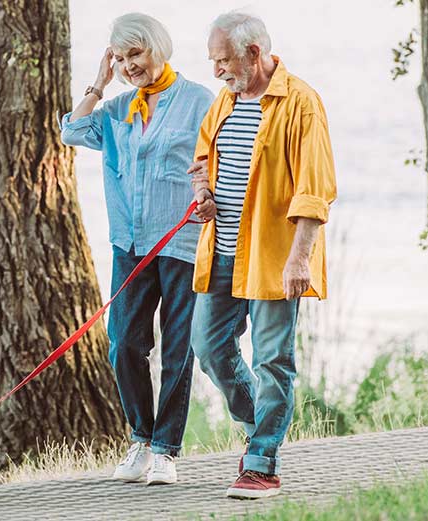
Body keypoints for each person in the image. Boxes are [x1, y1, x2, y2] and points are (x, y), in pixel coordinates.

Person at [187, 11, 337, 499]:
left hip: (274, 255)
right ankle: (262, 426)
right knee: (208, 348)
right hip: (223, 252)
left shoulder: (302, 103)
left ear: (254, 54)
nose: (216, 72)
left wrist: (300, 259)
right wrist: (203, 191)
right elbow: (202, 157)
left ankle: (261, 462)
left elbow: (315, 191)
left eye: (223, 61)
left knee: (272, 359)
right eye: (213, 62)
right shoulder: (226, 99)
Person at [60, 12, 213, 485]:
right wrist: (98, 85)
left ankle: (166, 450)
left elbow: (219, 159)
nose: (130, 65)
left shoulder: (199, 101)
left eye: (136, 54)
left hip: (182, 240)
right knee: (124, 343)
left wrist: (209, 197)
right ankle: (140, 439)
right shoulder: (118, 108)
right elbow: (71, 132)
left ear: (158, 48)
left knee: (177, 348)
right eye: (122, 58)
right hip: (129, 242)